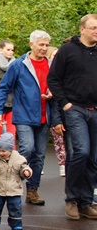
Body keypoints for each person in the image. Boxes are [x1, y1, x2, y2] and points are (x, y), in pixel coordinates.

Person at [47, 14, 97, 220]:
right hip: (75, 108)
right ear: (82, 29)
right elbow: (53, 79)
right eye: (93, 28)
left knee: (94, 158)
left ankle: (86, 202)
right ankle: (72, 199)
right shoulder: (68, 50)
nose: (96, 31)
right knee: (81, 151)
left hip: (95, 109)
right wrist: (65, 104)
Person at [0, 30, 51, 206]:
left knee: (39, 155)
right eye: (41, 44)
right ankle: (10, 182)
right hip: (24, 114)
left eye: (47, 45)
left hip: (45, 116)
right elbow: (4, 87)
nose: (44, 48)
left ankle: (32, 190)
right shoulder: (19, 65)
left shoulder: (51, 64)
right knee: (27, 147)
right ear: (31, 44)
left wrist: (53, 93)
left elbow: (58, 86)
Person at [47, 46, 67, 177]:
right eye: (53, 55)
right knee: (59, 141)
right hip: (53, 111)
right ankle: (62, 164)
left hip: (67, 111)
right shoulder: (49, 72)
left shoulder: (64, 71)